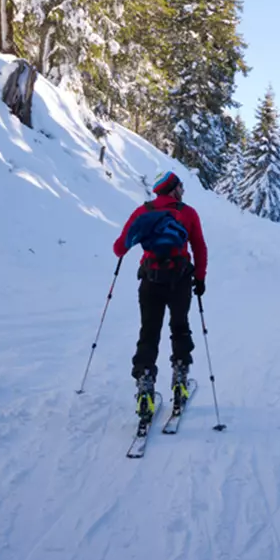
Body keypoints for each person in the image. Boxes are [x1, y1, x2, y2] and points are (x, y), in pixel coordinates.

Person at [112, 171, 207, 421]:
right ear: (173, 189)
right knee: (180, 328)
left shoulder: (143, 212)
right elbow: (199, 246)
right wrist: (200, 277)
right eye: (181, 186)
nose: (184, 190)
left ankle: (145, 390)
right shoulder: (188, 213)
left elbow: (119, 247)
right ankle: (180, 383)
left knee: (149, 332)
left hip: (150, 281)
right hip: (181, 281)